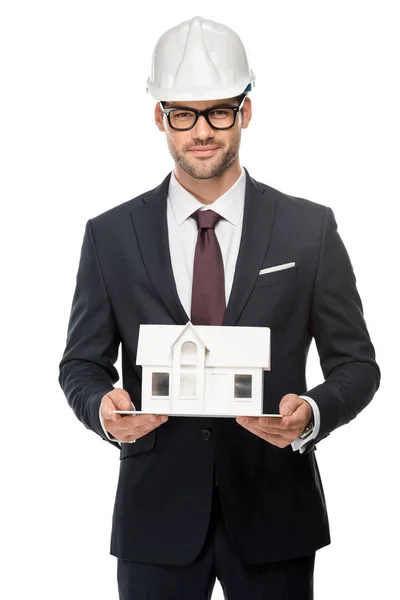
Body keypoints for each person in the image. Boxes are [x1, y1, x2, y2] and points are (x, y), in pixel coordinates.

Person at [58, 15, 380, 600]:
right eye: (183, 113)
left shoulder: (308, 228)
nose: (201, 131)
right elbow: (80, 364)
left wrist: (309, 413)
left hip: (276, 514)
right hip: (154, 518)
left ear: (246, 111)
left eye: (219, 112)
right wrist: (100, 408)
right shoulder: (110, 235)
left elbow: (358, 364)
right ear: (159, 116)